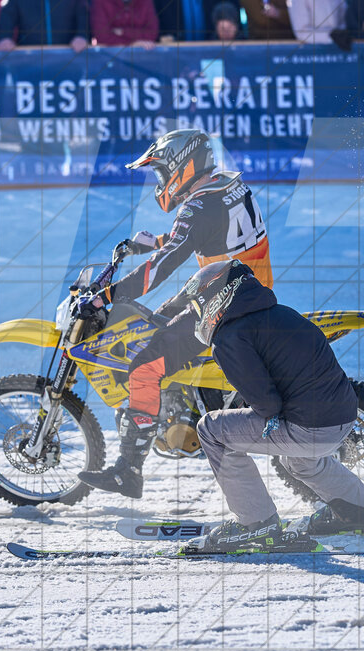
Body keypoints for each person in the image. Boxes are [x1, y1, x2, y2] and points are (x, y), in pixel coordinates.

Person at [77, 129, 273, 500]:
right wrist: (163, 240)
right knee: (156, 321)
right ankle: (184, 404)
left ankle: (129, 471)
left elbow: (161, 268)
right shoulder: (228, 187)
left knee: (143, 367)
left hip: (226, 306)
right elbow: (207, 233)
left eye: (161, 173)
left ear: (181, 167)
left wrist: (108, 296)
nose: (160, 182)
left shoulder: (198, 205)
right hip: (244, 290)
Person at [184, 261, 364, 552]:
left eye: (199, 309)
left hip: (310, 427)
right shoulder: (282, 313)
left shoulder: (230, 336)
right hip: (342, 418)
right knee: (300, 459)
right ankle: (360, 511)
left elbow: (266, 403)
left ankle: (256, 524)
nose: (198, 317)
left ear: (218, 299)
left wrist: (246, 411)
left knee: (211, 429)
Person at [0, 0, 88, 50]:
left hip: (68, 58)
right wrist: (5, 38)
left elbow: (84, 14)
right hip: (30, 60)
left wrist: (82, 36)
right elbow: (7, 15)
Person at [91, 0, 158, 46]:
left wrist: (123, 32)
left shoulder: (145, 1)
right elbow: (102, 36)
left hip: (143, 56)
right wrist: (132, 44)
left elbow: (152, 33)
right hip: (111, 57)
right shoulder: (101, 2)